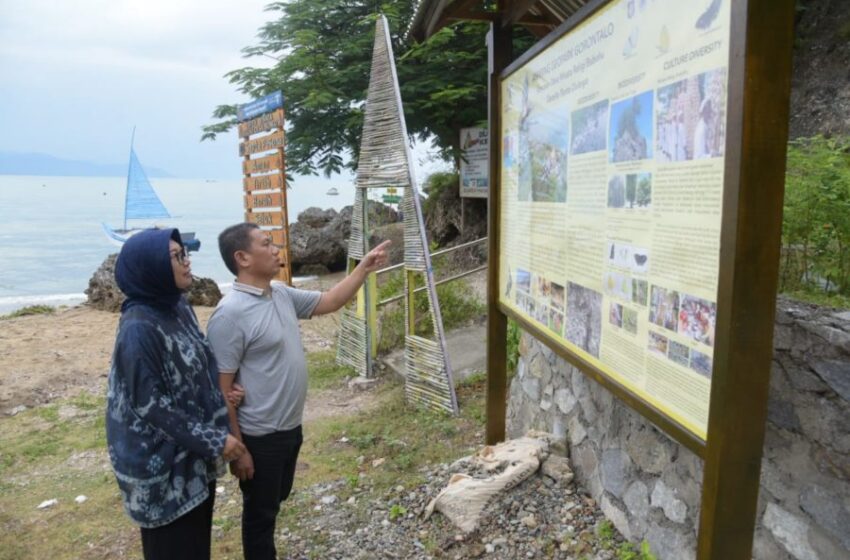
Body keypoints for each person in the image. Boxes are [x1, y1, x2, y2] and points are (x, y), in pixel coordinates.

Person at [206, 223, 390, 560]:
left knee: (275, 501)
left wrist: (363, 269)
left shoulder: (280, 293)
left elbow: (330, 301)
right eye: (266, 244)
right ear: (242, 257)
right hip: (259, 434)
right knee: (260, 516)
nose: (276, 249)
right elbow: (221, 388)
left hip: (289, 426)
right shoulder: (229, 314)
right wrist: (238, 449)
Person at [105, 228, 247, 560]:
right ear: (151, 266)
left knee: (196, 547)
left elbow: (199, 360)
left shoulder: (177, 306)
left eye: (186, 253)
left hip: (192, 457)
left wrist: (220, 394)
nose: (187, 262)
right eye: (177, 256)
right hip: (160, 471)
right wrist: (215, 440)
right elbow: (151, 406)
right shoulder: (137, 329)